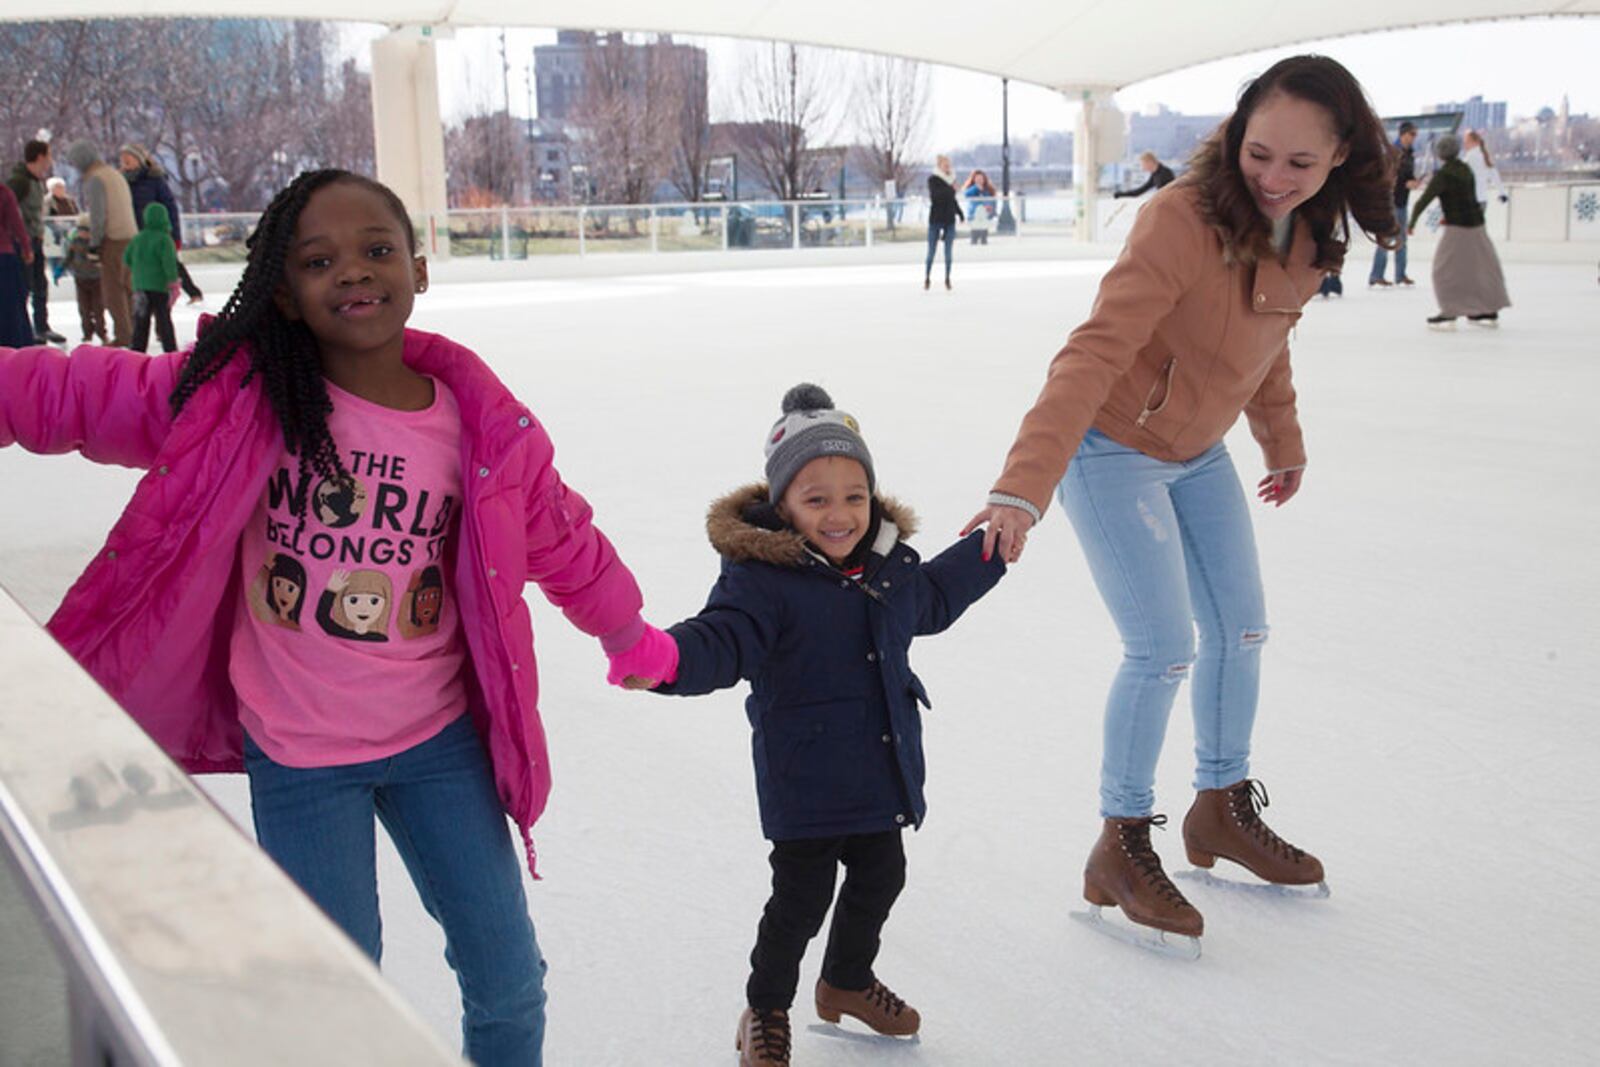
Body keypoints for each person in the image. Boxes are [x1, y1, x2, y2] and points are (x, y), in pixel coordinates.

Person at [0, 168, 665, 1066]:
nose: (353, 272)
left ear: (419, 270)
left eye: (377, 250)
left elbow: (562, 536)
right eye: (319, 260)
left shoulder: (481, 428)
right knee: (335, 1005)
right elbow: (81, 392)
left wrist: (628, 633)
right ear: (282, 287)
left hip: (439, 743)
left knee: (509, 981)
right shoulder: (236, 401)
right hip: (302, 755)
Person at [962, 55, 1399, 950]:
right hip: (1110, 449)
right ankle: (1121, 841)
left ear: (1340, 159)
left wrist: (1283, 442)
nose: (1274, 179)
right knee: (1163, 647)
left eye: (1300, 165)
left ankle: (1221, 808)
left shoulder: (1310, 234)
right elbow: (1090, 353)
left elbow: (1266, 344)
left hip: (1199, 455)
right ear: (1237, 133)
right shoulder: (1180, 220)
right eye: (1259, 153)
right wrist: (1021, 486)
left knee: (1242, 630)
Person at [608, 384, 1005, 1066]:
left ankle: (846, 979)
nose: (840, 513)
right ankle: (765, 1008)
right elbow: (721, 640)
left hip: (881, 766)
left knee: (882, 876)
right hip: (807, 779)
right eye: (815, 498)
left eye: (854, 495)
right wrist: (666, 660)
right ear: (782, 504)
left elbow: (934, 597)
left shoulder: (888, 566)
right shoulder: (762, 581)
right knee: (800, 900)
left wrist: (990, 547)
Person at [1408, 133, 1511, 329]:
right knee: (1482, 268)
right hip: (1477, 225)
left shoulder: (1444, 175)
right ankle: (1486, 309)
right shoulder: (1465, 170)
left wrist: (1412, 222)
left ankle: (1450, 310)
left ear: (1440, 154)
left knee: (1443, 270)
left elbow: (1423, 200)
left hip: (1458, 228)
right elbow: (1467, 198)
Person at [64, 141, 136, 347]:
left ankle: (124, 335)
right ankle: (134, 331)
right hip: (130, 237)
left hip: (113, 240)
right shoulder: (114, 174)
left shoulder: (96, 180)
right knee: (129, 289)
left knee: (114, 292)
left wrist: (95, 246)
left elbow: (98, 216)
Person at [119, 143, 203, 305]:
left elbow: (170, 206)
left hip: (157, 231)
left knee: (170, 262)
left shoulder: (154, 180)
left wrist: (175, 235)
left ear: (139, 160)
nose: (124, 164)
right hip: (134, 231)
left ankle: (192, 292)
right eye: (122, 161)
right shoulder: (122, 182)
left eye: (128, 160)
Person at [7, 139, 65, 344]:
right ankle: (25, 328)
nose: (50, 160)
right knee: (24, 285)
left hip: (35, 239)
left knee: (40, 284)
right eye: (48, 155)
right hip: (22, 242)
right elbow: (9, 210)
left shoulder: (36, 181)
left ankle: (41, 325)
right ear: (40, 156)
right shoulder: (19, 182)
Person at [1368, 120, 1420, 287]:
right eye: (1412, 134)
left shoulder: (1410, 154)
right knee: (1386, 238)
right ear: (1403, 134)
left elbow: (1407, 174)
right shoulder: (1393, 152)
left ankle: (1400, 274)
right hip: (1390, 202)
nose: (1414, 138)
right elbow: (1387, 177)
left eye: (1415, 135)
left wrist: (1412, 181)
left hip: (1403, 202)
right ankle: (1376, 275)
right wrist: (1404, 184)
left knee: (1402, 239)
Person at [123, 202, 180, 352]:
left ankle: (136, 352)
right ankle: (170, 350)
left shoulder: (137, 239)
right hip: (159, 287)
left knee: (140, 322)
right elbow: (169, 263)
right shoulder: (165, 239)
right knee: (164, 321)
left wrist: (139, 270)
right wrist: (173, 281)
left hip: (140, 287)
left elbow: (127, 259)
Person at [62, 213, 107, 344]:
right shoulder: (74, 243)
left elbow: (103, 259)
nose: (83, 234)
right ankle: (87, 332)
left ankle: (101, 332)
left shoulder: (96, 244)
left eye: (86, 231)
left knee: (98, 308)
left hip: (96, 280)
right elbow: (69, 257)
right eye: (80, 230)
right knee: (84, 309)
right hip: (80, 279)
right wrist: (61, 268)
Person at [924, 154, 964, 290]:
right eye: (945, 165)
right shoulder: (933, 180)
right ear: (939, 166)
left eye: (949, 165)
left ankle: (947, 278)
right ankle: (927, 277)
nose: (948, 168)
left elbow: (952, 200)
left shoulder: (951, 180)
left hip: (949, 219)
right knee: (931, 252)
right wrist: (951, 189)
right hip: (936, 219)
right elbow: (936, 197)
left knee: (948, 252)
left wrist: (960, 213)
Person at [0, 180, 33, 347]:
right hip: (4, 257)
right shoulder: (4, 192)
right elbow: (16, 223)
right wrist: (26, 248)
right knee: (11, 309)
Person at [1461, 129, 1507, 214]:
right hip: (1482, 200)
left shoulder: (1471, 157)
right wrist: (1502, 193)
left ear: (1475, 142)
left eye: (1467, 141)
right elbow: (1494, 175)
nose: (1465, 144)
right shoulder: (1484, 156)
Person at [45, 176, 77, 285]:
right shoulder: (47, 201)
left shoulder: (70, 201)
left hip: (70, 227)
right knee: (59, 241)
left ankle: (72, 269)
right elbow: (46, 217)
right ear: (52, 189)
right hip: (54, 229)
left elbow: (76, 214)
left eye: (62, 187)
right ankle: (58, 271)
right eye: (58, 187)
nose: (61, 190)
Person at [962, 168, 996, 245]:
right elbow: (966, 194)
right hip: (974, 217)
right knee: (974, 238)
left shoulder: (988, 190)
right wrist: (976, 187)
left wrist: (991, 212)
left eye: (981, 179)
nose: (979, 180)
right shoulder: (971, 189)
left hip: (985, 217)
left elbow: (991, 201)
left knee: (984, 239)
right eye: (977, 179)